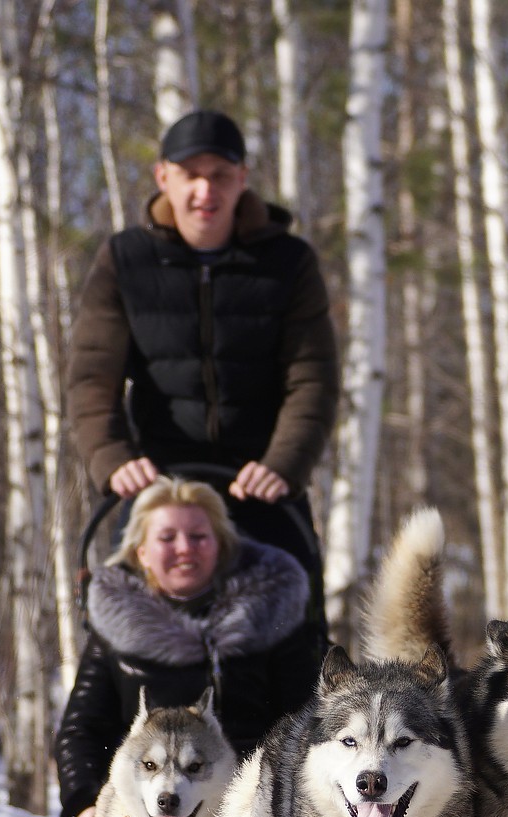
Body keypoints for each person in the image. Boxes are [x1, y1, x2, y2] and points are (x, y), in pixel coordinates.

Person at [65, 108, 338, 659]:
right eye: (190, 174)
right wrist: (113, 458)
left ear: (242, 179)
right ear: (164, 177)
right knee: (126, 645)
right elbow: (92, 374)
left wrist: (284, 465)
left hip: (261, 486)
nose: (204, 189)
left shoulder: (288, 262)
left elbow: (313, 377)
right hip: (160, 490)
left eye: (219, 174)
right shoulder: (125, 260)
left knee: (291, 646)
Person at [53, 477, 316, 817]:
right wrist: (84, 804)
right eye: (168, 537)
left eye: (199, 536)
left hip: (255, 804)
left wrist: (288, 800)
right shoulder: (114, 632)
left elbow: (308, 717)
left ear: (222, 544)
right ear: (142, 552)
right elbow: (83, 728)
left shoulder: (275, 619)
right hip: (141, 812)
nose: (184, 549)